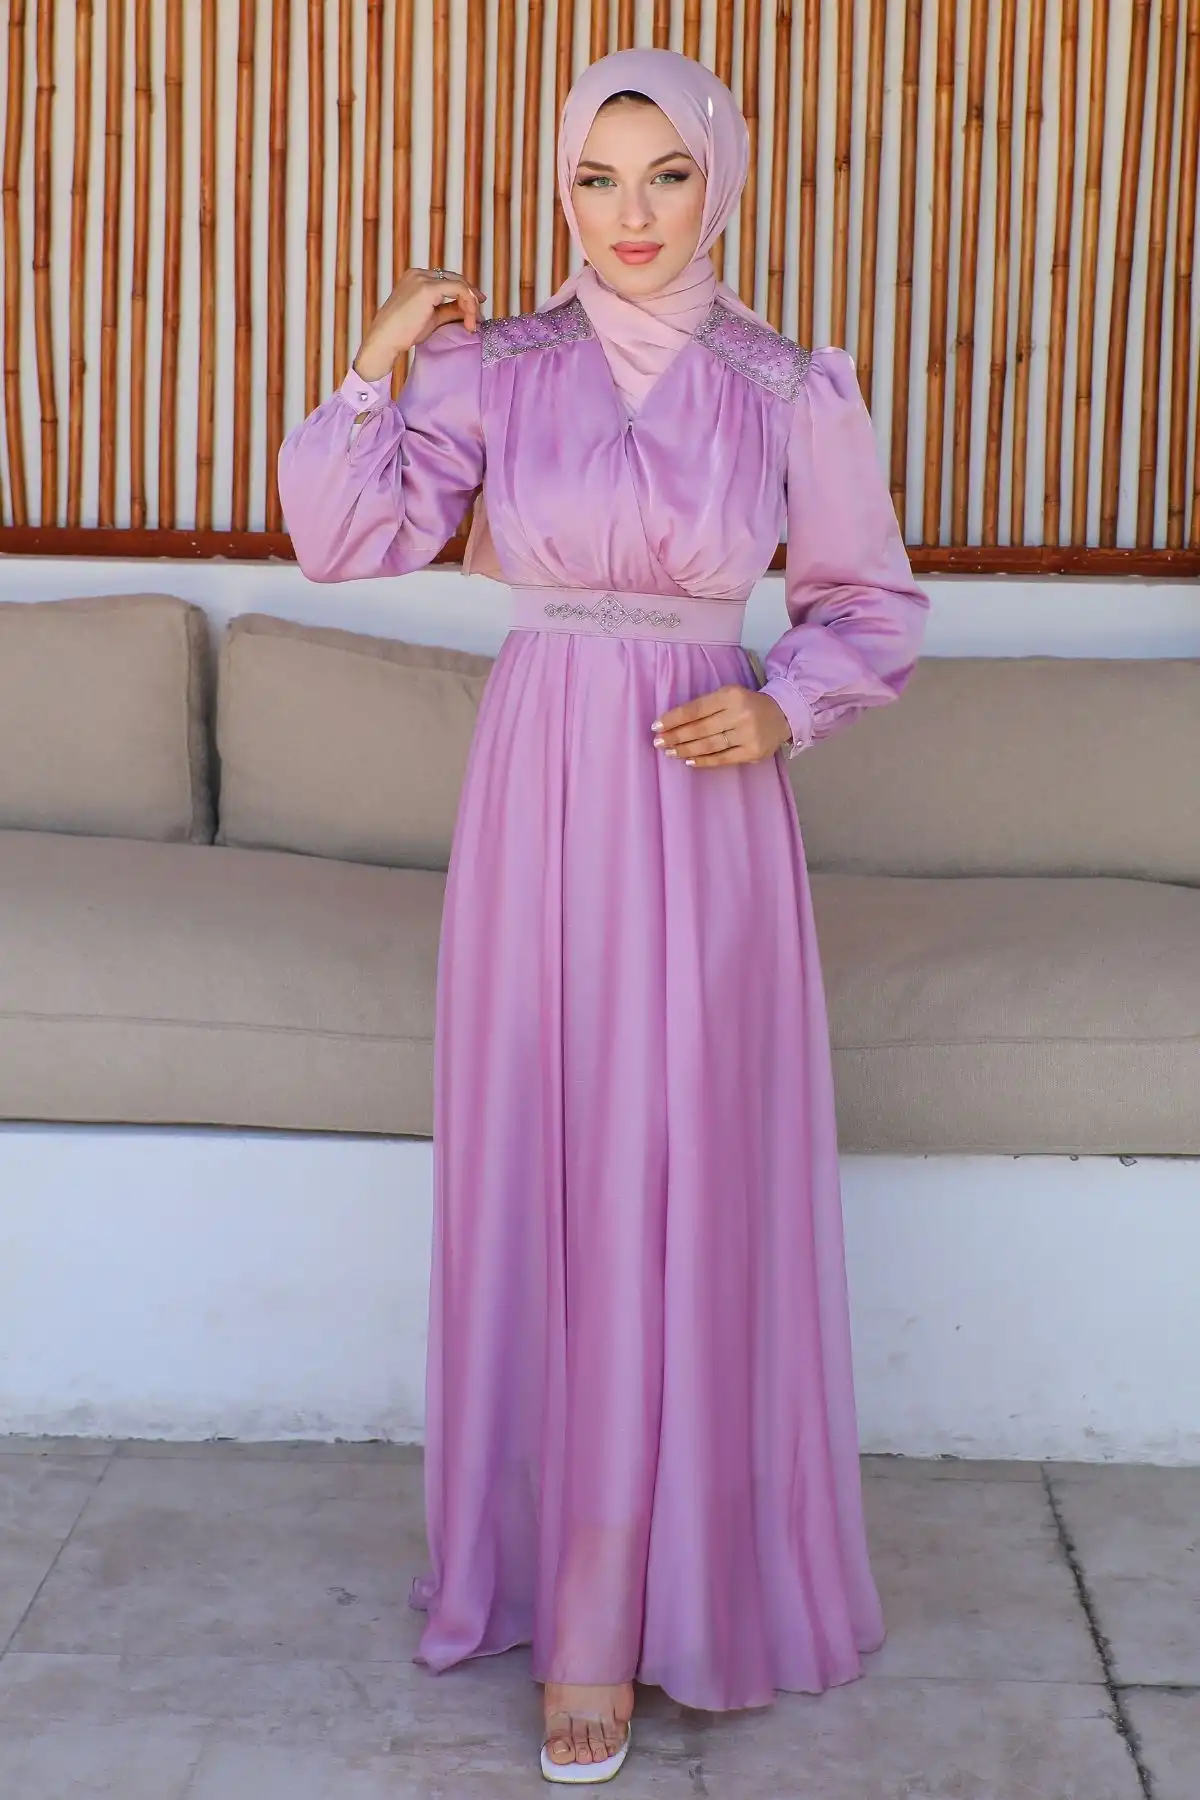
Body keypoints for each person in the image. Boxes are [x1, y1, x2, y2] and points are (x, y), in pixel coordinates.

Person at [278, 45, 929, 1787]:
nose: (630, 214)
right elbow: (343, 538)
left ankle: (665, 1591)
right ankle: (561, 1596)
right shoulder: (495, 368)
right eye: (595, 176)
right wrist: (376, 358)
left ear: (722, 180)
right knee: (547, 1160)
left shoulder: (792, 387)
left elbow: (867, 602)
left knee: (683, 1170)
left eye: (665, 174)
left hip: (708, 801)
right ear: (560, 187)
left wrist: (785, 705)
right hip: (542, 789)